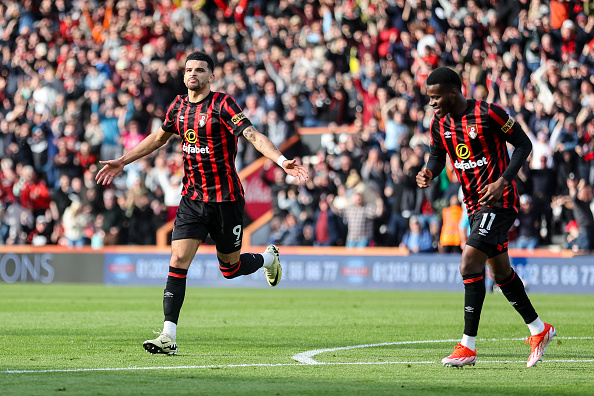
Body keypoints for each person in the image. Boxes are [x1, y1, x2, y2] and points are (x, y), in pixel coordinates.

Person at [96, 51, 308, 355]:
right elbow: (157, 138)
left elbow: (252, 135)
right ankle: (169, 335)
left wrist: (282, 160)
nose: (192, 74)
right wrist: (123, 161)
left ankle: (268, 258)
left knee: (230, 269)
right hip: (192, 198)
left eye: (199, 70)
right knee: (178, 262)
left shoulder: (223, 104)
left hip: (226, 201)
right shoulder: (177, 107)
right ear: (183, 76)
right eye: (188, 70)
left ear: (211, 76)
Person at [416, 67, 555, 368]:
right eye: (430, 98)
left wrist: (503, 180)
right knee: (501, 272)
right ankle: (539, 329)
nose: (432, 103)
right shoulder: (439, 123)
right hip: (474, 205)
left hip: (501, 201)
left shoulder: (489, 113)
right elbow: (438, 155)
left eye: (436, 97)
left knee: (469, 262)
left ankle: (467, 346)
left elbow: (523, 144)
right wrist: (429, 170)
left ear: (453, 92)